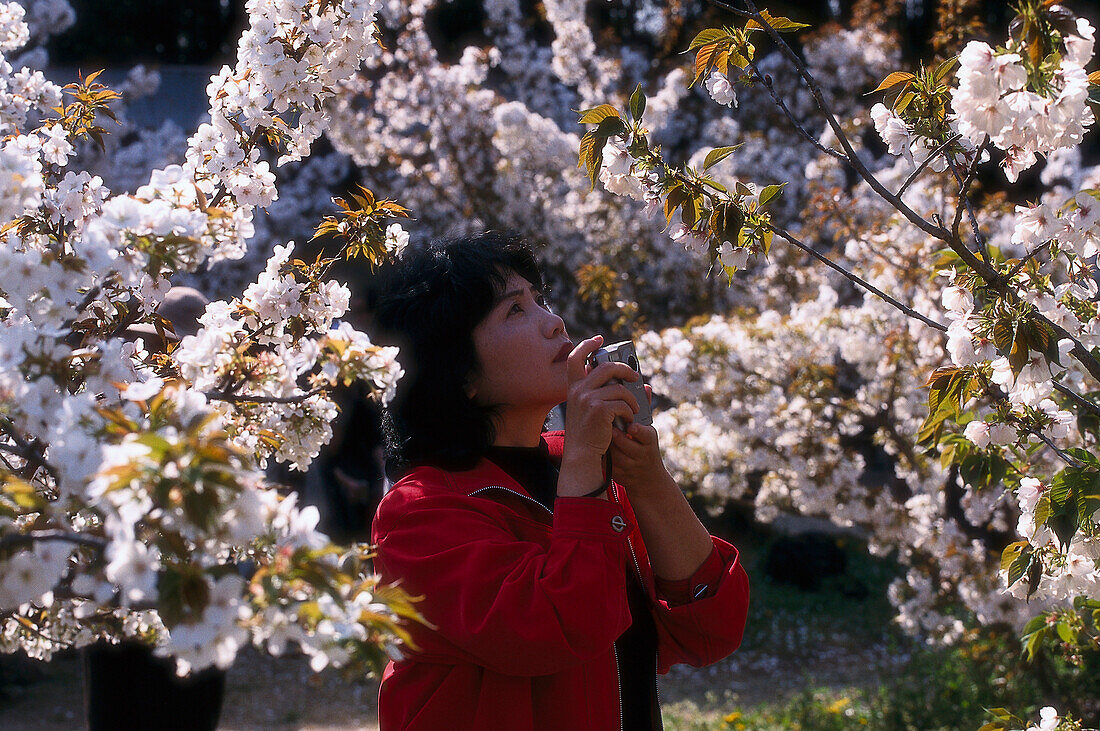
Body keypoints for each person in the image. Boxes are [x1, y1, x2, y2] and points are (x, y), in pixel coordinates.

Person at [369, 231, 750, 730]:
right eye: (514, 310)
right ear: (460, 373)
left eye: (540, 299)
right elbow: (556, 626)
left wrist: (646, 476)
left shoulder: (579, 470)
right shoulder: (418, 512)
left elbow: (708, 629)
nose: (554, 323)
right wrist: (585, 462)